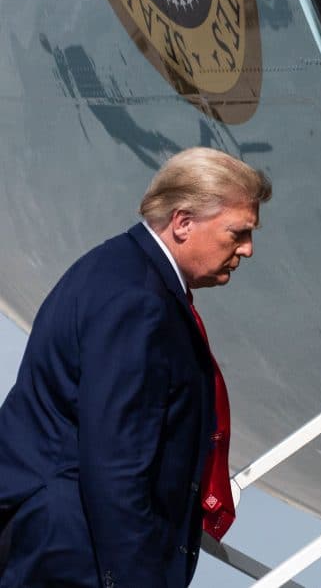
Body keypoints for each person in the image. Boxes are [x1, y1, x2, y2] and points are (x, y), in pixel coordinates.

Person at [0, 147, 272, 587]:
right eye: (237, 232)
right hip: (73, 554)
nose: (248, 249)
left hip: (60, 542)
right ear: (183, 223)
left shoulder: (117, 269)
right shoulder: (139, 302)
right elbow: (117, 461)